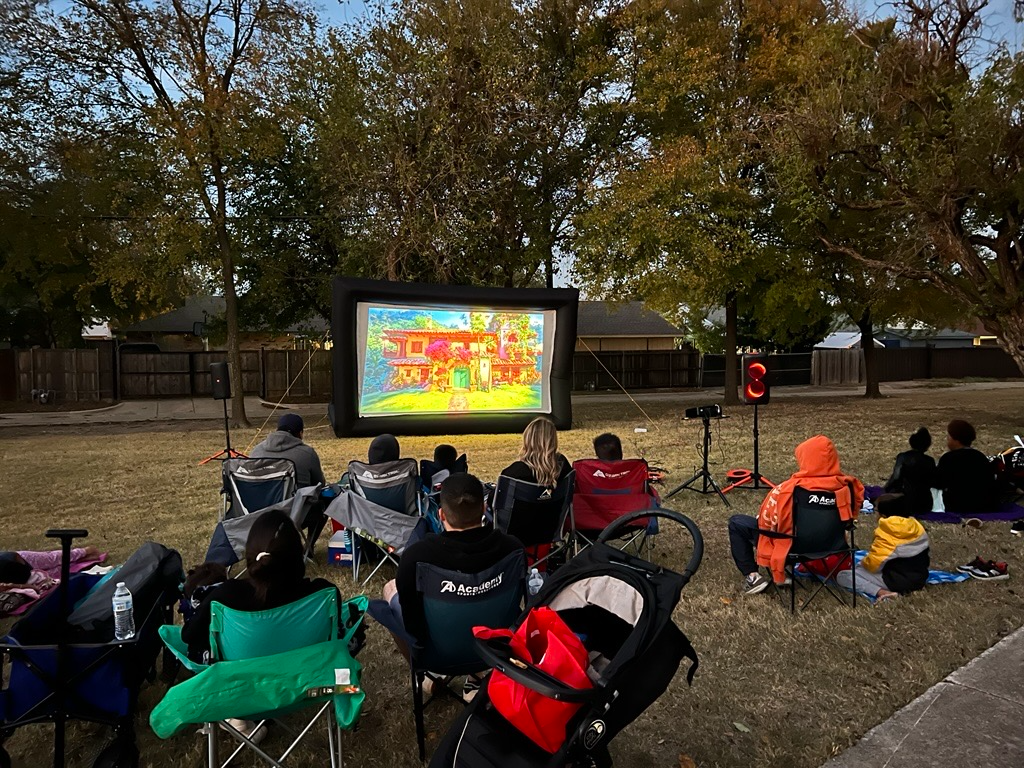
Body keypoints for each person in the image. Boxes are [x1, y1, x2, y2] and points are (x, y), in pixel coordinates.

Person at [370, 473, 523, 701]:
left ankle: (425, 676)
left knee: (391, 589)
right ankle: (479, 674)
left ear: (441, 514)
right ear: (483, 508)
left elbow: (413, 624)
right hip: (495, 650)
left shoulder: (417, 557)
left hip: (436, 655)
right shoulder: (513, 549)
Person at [727, 435, 864, 594]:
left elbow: (777, 524)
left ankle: (753, 577)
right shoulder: (848, 486)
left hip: (793, 547)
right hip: (833, 545)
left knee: (737, 522)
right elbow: (850, 517)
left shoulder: (790, 489)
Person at [836, 493, 930, 602]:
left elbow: (873, 565)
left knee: (843, 575)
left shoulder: (887, 532)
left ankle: (882, 592)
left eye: (876, 511)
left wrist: (861, 564)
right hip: (920, 579)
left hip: (896, 582)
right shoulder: (916, 526)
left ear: (883, 515)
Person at [935, 419, 998, 514]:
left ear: (956, 439)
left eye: (949, 436)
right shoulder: (980, 457)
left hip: (957, 505)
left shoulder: (948, 458)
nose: (947, 439)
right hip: (983, 505)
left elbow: (939, 483)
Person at [250, 413, 325, 488]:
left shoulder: (256, 451)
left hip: (260, 499)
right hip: (297, 499)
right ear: (301, 433)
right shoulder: (307, 454)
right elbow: (319, 485)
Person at [500, 417, 572, 488]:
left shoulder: (516, 471)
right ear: (553, 441)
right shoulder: (562, 464)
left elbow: (498, 495)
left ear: (527, 440)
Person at [883, 427, 937, 516]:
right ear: (928, 444)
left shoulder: (903, 457)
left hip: (906, 501)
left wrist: (885, 490)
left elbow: (896, 478)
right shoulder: (930, 461)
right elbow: (934, 481)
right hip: (925, 503)